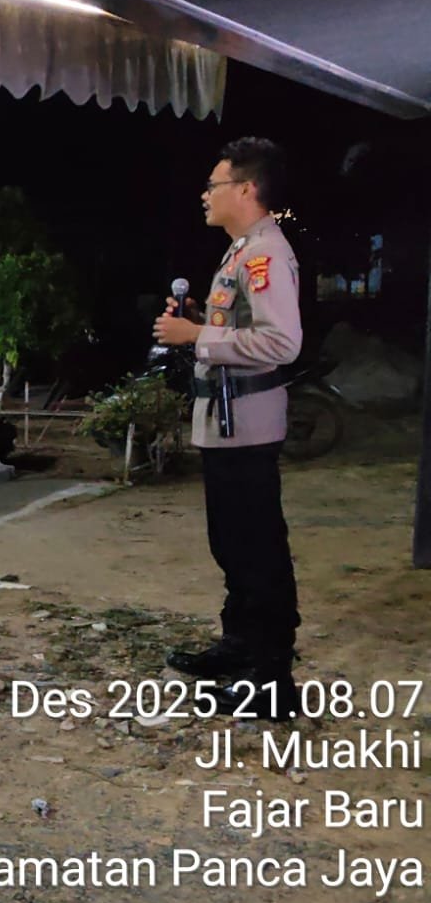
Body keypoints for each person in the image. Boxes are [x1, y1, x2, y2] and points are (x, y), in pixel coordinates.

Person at [153, 137, 303, 721]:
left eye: (214, 185)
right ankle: (240, 647)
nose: (205, 194)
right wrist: (200, 323)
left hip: (249, 426)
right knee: (232, 545)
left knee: (257, 550)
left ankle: (270, 679)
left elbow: (281, 342)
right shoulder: (241, 251)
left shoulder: (265, 255)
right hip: (226, 423)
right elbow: (239, 328)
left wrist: (197, 337)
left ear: (246, 188)